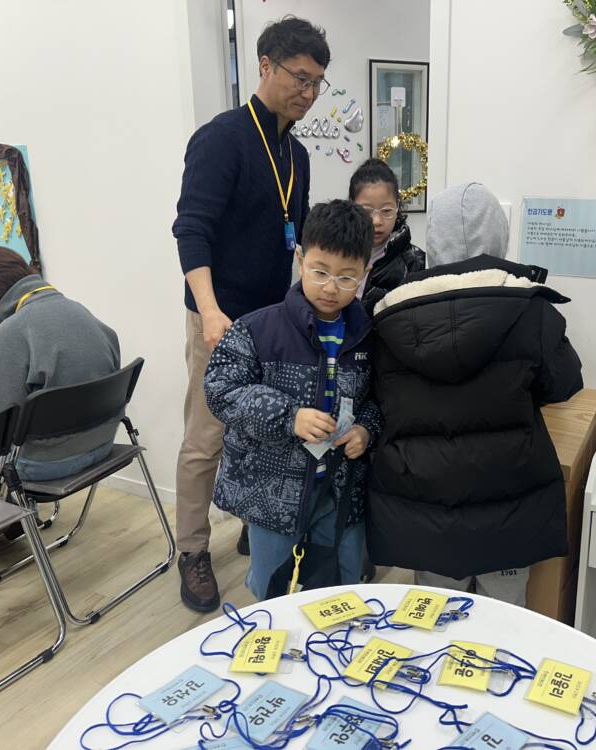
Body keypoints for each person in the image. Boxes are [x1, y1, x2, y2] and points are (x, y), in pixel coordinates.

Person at [171, 16, 331, 612]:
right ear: (265, 65)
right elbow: (191, 230)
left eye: (317, 83)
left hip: (272, 321)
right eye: (300, 78)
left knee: (265, 425)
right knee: (205, 437)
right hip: (218, 318)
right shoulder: (221, 139)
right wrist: (210, 312)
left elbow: (300, 236)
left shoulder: (297, 153)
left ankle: (251, 519)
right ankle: (192, 549)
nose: (308, 93)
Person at [367, 183, 584, 606]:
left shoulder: (389, 315)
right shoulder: (530, 308)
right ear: (500, 237)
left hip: (424, 507)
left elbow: (380, 397)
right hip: (510, 507)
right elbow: (564, 383)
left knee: (433, 622)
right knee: (502, 624)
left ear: (433, 241)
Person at [205, 200, 381, 600]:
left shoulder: (368, 336)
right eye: (320, 271)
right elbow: (220, 389)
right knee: (272, 589)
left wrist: (365, 431)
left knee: (343, 586)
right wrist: (290, 416)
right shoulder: (257, 329)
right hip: (272, 494)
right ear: (300, 260)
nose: (331, 287)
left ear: (365, 274)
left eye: (346, 277)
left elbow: (378, 399)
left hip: (340, 490)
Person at [0, 246, 120, 480]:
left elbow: (0, 419)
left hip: (47, 462)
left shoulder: (12, 330)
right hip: (103, 444)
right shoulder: (79, 310)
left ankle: (0, 505)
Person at [348, 158, 425, 316]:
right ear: (351, 206)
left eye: (387, 211)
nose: (377, 221)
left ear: (397, 207)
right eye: (366, 211)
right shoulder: (338, 252)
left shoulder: (415, 262)